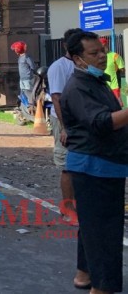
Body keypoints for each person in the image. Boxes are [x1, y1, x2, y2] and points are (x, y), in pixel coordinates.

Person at [61, 30, 128, 293]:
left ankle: (85, 274)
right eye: (94, 53)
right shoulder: (78, 86)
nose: (102, 56)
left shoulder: (95, 81)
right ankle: (102, 287)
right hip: (94, 167)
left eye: (102, 51)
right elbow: (101, 123)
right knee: (105, 231)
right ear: (78, 59)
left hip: (104, 164)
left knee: (92, 226)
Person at [46, 28, 80, 225]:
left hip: (81, 120)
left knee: (80, 165)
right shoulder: (59, 67)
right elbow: (57, 98)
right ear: (66, 46)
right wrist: (65, 127)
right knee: (67, 166)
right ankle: (68, 209)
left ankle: (78, 204)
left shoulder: (83, 65)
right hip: (64, 121)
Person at [99, 36, 125, 107]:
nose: (102, 48)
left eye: (103, 46)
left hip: (114, 85)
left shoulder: (115, 55)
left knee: (118, 104)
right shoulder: (98, 57)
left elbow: (122, 69)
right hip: (103, 86)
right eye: (101, 46)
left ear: (106, 45)